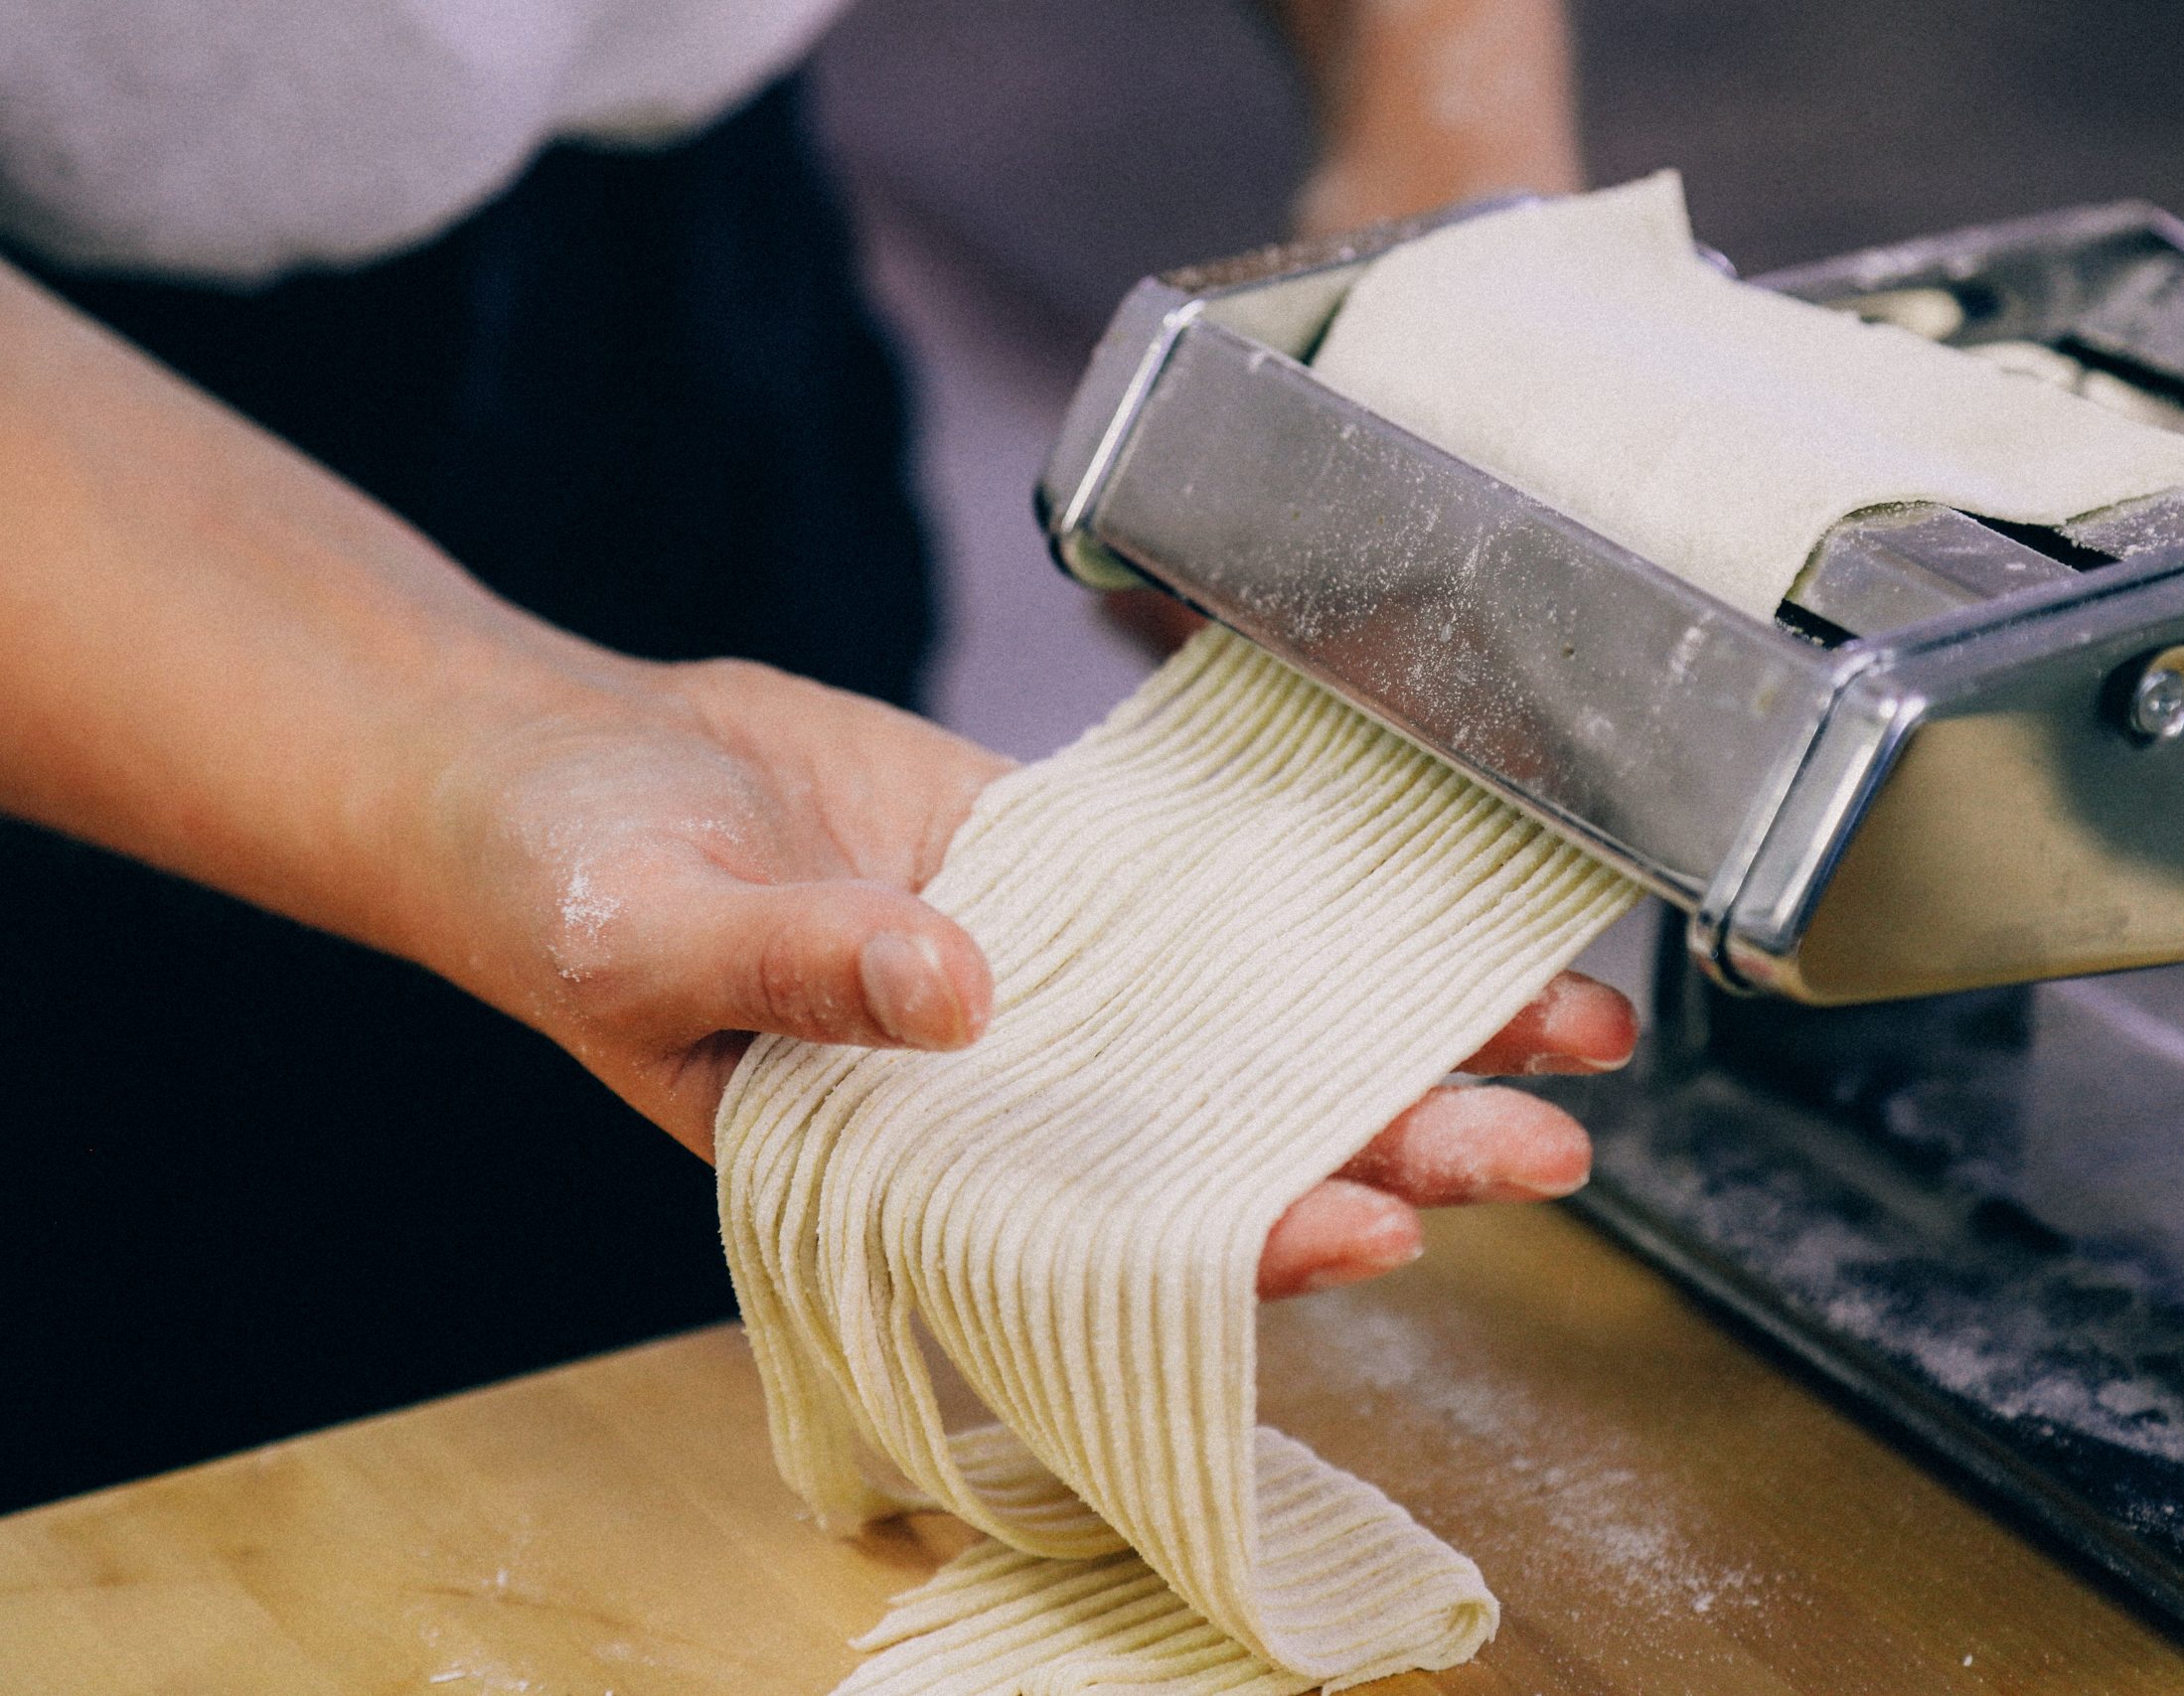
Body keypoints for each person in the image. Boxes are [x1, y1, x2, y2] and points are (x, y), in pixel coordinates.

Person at [0, 0, 1629, 1511]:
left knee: (677, 1437)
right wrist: (500, 740)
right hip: (76, 527)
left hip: (674, 272)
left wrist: (1443, 132)